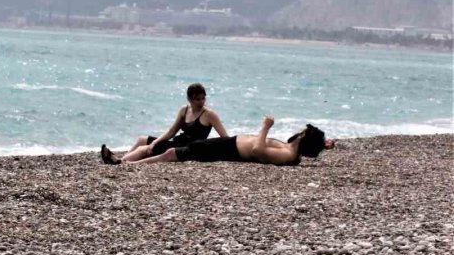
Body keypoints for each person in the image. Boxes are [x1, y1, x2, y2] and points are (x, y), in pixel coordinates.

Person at [102, 115, 336, 167]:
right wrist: (325, 143)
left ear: (305, 138)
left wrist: (265, 127)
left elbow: (259, 151)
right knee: (176, 150)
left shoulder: (287, 154)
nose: (299, 130)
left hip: (229, 150)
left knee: (175, 153)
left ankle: (128, 165)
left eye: (303, 131)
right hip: (229, 144)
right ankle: (124, 161)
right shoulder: (291, 146)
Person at [102, 83, 229, 164]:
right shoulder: (184, 110)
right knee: (142, 139)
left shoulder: (209, 114)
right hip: (177, 141)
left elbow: (225, 138)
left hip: (186, 148)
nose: (201, 102)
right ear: (190, 99)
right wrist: (155, 142)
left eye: (203, 98)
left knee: (143, 149)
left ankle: (119, 162)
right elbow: (171, 131)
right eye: (197, 99)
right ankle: (123, 158)